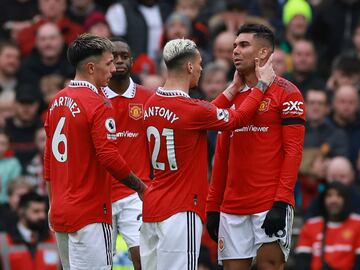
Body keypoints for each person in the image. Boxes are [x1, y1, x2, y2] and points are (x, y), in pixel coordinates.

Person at [140, 37, 276, 270]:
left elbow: (203, 114)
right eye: (200, 63)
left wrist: (233, 89)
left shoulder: (151, 103)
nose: (202, 69)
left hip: (152, 209)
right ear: (189, 66)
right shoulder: (191, 109)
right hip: (180, 210)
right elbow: (237, 119)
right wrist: (262, 85)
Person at [206, 23, 305, 270]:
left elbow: (293, 152)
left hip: (268, 203)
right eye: (234, 46)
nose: (235, 51)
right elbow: (221, 155)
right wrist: (212, 206)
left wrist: (281, 202)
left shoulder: (288, 93)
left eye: (243, 45)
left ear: (263, 53)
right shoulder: (232, 96)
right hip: (232, 206)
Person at [44, 34, 147, 270]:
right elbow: (108, 156)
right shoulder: (98, 103)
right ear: (92, 68)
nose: (113, 68)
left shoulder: (57, 101)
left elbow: (48, 160)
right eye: (109, 63)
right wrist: (141, 187)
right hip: (89, 212)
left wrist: (53, 202)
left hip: (60, 210)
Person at [100, 38, 153, 270]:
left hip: (136, 193)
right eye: (114, 57)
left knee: (143, 258)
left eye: (124, 56)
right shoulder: (95, 98)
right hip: (101, 194)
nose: (120, 61)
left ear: (132, 60)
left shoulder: (148, 98)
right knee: (101, 263)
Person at [295, 181, 360, 270]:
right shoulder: (311, 225)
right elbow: (302, 263)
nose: (334, 200)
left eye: (339, 196)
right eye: (329, 195)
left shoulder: (357, 224)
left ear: (346, 199)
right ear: (323, 200)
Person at [0, 191, 60, 270]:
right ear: (21, 211)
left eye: (44, 211)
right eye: (36, 211)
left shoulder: (55, 239)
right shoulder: (3, 241)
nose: (42, 216)